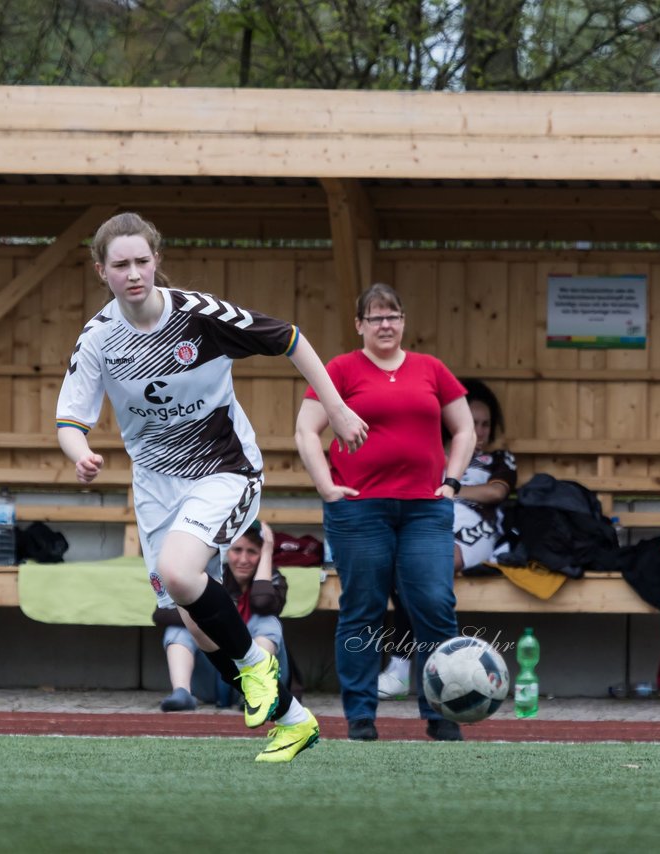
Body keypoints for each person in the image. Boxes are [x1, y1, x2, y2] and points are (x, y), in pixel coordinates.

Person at [56, 211, 368, 763]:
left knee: (181, 573)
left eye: (143, 262)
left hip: (224, 469)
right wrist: (81, 454)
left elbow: (292, 338)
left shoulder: (198, 317)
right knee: (198, 627)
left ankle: (257, 668)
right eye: (121, 265)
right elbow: (70, 420)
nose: (134, 274)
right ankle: (294, 720)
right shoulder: (99, 339)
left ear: (157, 262)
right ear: (100, 270)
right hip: (154, 484)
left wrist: (337, 409)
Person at [295, 282, 475, 742]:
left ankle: (442, 712)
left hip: (425, 509)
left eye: (393, 315)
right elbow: (306, 431)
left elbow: (466, 429)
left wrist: (451, 482)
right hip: (359, 510)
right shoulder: (339, 369)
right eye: (375, 317)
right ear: (359, 325)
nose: (386, 324)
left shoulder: (430, 369)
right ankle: (360, 716)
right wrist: (327, 486)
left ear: (403, 321)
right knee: (363, 610)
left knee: (434, 606)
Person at [376, 378, 518, 700]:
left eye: (485, 424)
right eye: (473, 422)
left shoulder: (499, 459)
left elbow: (496, 492)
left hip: (477, 526)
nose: (479, 431)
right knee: (403, 566)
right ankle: (418, 667)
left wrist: (448, 490)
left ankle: (405, 668)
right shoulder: (433, 455)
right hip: (432, 521)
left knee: (428, 567)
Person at [153, 520, 291, 712]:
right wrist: (212, 617)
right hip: (212, 677)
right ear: (226, 552)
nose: (243, 559)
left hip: (260, 677)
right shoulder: (212, 576)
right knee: (180, 627)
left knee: (268, 621)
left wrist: (268, 550)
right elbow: (161, 613)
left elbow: (263, 603)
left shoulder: (271, 577)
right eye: (237, 550)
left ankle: (259, 691)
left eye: (252, 552)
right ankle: (182, 692)